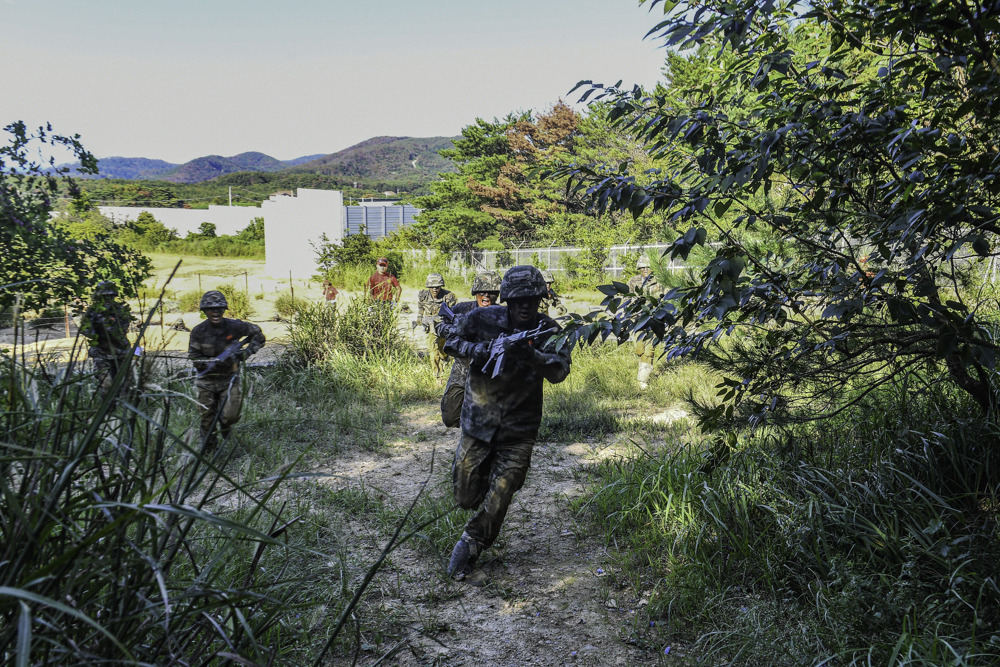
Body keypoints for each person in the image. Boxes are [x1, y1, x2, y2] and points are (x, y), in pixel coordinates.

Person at [442, 265, 571, 580]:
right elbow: (450, 341)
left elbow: (559, 372)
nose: (525, 305)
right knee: (465, 497)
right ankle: (484, 483)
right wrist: (480, 349)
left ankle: (471, 544)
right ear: (508, 299)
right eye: (518, 299)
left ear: (541, 298)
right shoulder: (483, 319)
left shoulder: (547, 331)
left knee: (501, 494)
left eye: (533, 298)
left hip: (519, 430)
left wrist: (531, 356)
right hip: (477, 425)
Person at [188, 290, 265, 450]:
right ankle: (210, 451)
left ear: (224, 310)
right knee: (207, 419)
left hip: (229, 380)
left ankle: (225, 426)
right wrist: (214, 362)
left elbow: (258, 334)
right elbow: (194, 357)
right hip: (206, 382)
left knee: (231, 416)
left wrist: (246, 353)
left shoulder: (235, 326)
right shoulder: (198, 331)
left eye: (219, 308)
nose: (215, 312)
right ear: (204, 311)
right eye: (211, 308)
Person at [438, 270, 501, 427]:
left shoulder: (503, 314)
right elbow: (439, 326)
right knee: (450, 418)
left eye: (491, 292)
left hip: (488, 371)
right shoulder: (461, 309)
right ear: (475, 292)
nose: (486, 295)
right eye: (482, 291)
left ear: (498, 294)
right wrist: (453, 329)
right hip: (462, 367)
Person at [80, 281, 135, 394]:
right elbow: (85, 329)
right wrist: (97, 331)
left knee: (125, 385)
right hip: (101, 353)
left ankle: (122, 408)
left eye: (110, 296)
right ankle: (109, 409)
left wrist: (105, 327)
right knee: (107, 385)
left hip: (121, 352)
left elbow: (121, 331)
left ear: (114, 296)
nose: (107, 300)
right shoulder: (92, 312)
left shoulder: (121, 310)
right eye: (104, 297)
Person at [627, 256, 662, 390]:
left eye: (648, 267)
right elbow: (627, 297)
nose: (646, 270)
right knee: (639, 349)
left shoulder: (659, 281)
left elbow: (665, 299)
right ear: (639, 268)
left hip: (654, 321)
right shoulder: (633, 281)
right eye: (643, 267)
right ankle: (645, 369)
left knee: (648, 351)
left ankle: (643, 380)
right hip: (637, 320)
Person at [416, 273, 458, 377]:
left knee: (442, 348)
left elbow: (453, 312)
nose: (435, 289)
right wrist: (420, 318)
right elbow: (421, 307)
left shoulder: (448, 296)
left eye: (437, 287)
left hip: (443, 326)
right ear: (428, 287)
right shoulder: (423, 296)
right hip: (430, 327)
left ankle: (445, 357)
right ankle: (437, 374)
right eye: (432, 287)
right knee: (432, 351)